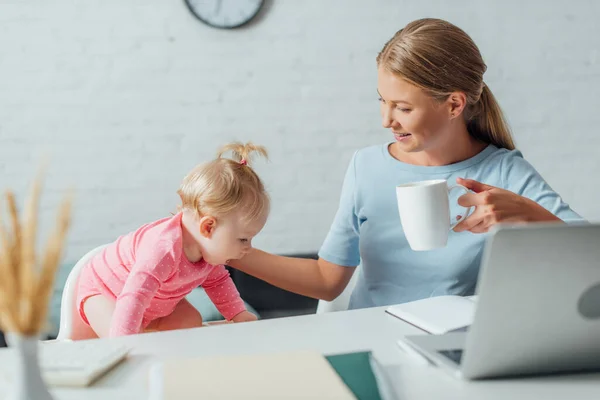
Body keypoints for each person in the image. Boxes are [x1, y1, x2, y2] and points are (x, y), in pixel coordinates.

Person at [228, 18, 583, 310]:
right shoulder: (366, 167)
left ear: (455, 105)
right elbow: (326, 281)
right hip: (368, 338)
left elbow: (588, 256)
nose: (386, 119)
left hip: (453, 345)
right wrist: (230, 251)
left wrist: (527, 212)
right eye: (382, 101)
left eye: (403, 107)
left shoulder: (503, 172)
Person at [74, 142, 268, 338]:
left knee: (190, 321)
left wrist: (238, 314)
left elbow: (218, 282)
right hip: (107, 293)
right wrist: (128, 341)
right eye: (243, 239)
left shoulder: (207, 255)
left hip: (153, 303)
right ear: (208, 227)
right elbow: (134, 296)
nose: (248, 248)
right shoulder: (163, 250)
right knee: (125, 337)